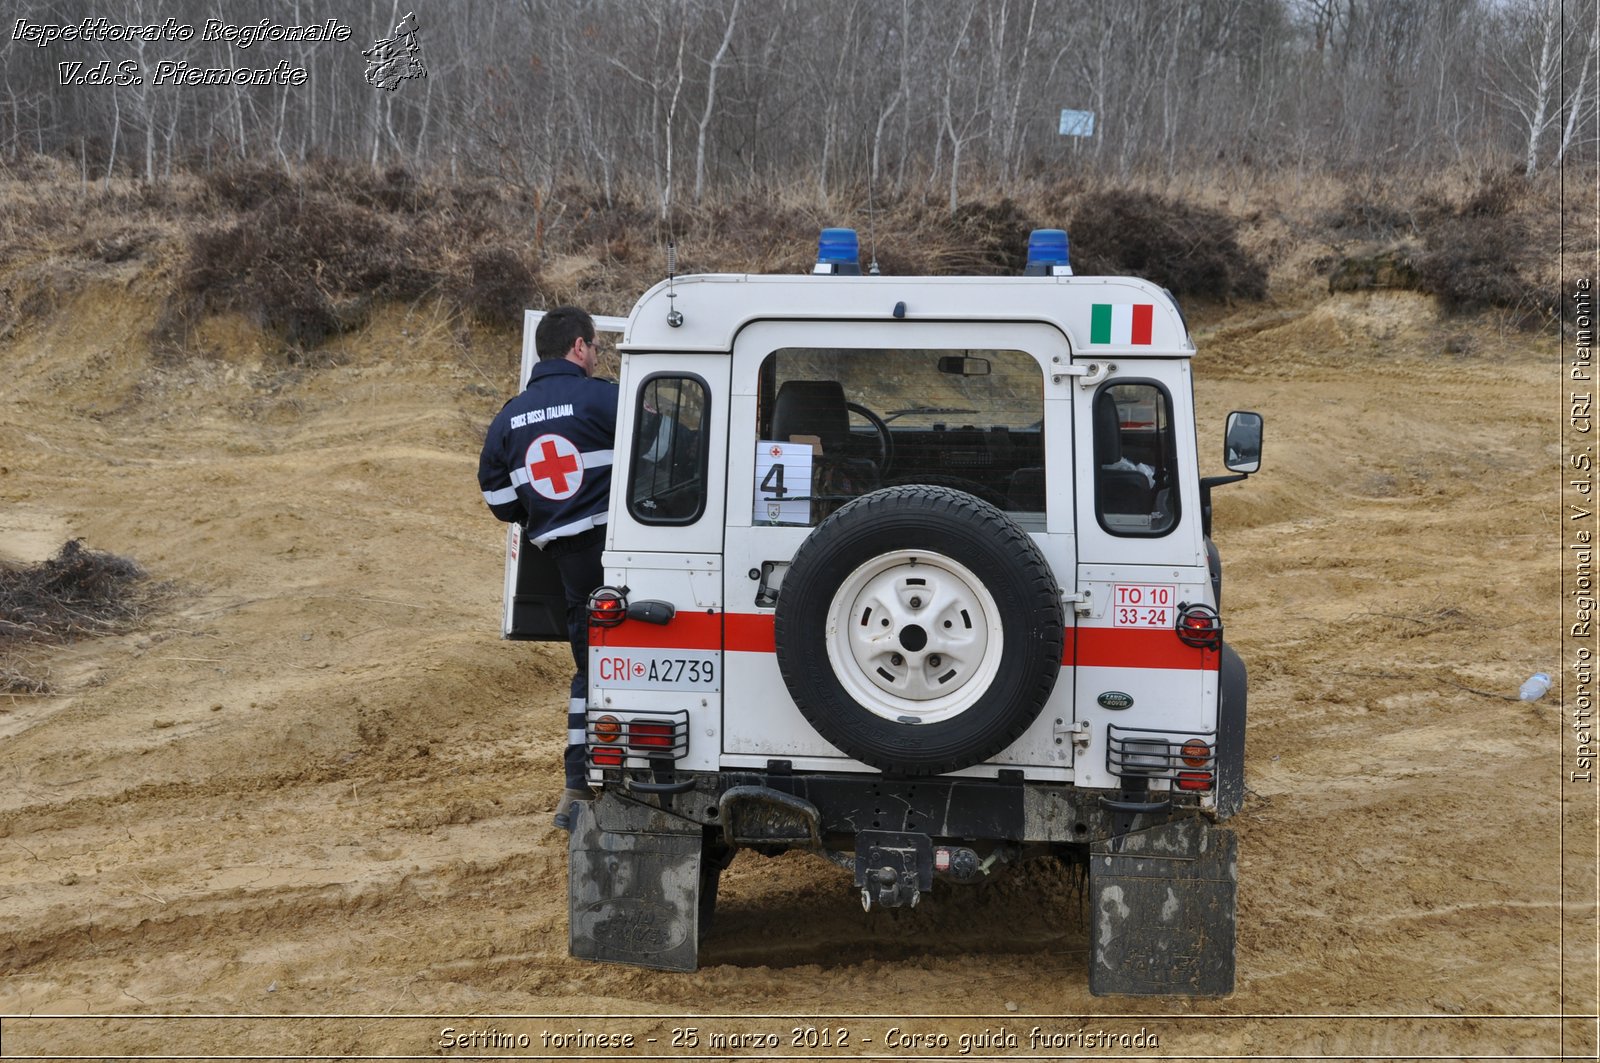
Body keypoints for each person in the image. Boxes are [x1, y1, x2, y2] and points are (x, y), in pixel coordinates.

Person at [478, 306, 618, 830]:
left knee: (590, 672)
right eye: (596, 347)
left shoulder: (507, 419)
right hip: (629, 554)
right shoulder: (607, 398)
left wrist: (542, 515)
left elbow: (497, 498)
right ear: (579, 347)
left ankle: (577, 788)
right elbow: (671, 455)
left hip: (569, 566)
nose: (596, 356)